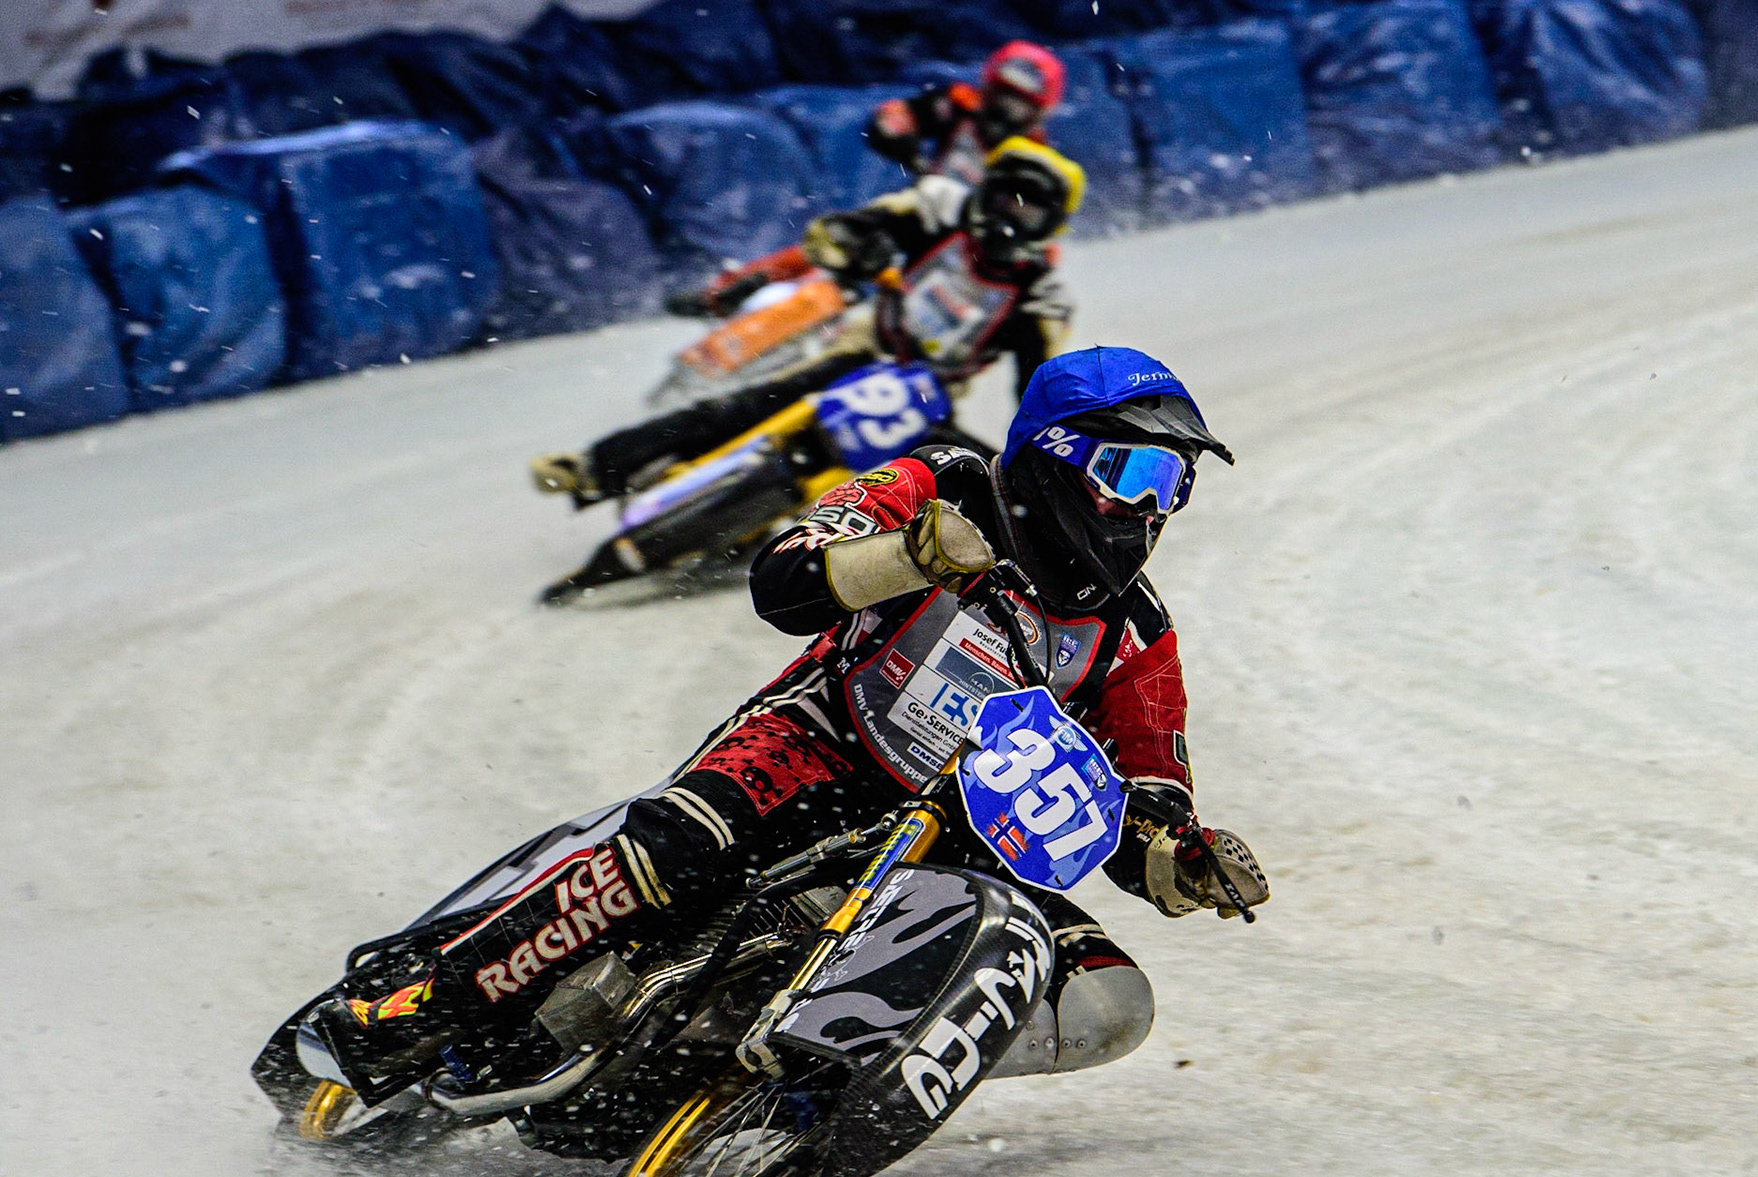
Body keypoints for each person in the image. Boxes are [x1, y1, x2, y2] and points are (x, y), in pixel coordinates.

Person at [337, 346, 1270, 1085]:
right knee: (670, 852)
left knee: (1111, 1001)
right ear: (1057, 453)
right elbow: (783, 579)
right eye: (1136, 472)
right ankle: (425, 1004)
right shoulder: (945, 481)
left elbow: (1143, 795)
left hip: (958, 839)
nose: (1151, 509)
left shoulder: (1137, 630)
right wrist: (909, 555)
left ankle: (831, 1076)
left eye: (1174, 485)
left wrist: (1185, 859)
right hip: (816, 745)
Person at [532, 138, 1083, 507]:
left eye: (1028, 210)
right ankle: (596, 465)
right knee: (754, 404)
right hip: (868, 338)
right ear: (984, 189)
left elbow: (1039, 395)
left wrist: (1039, 468)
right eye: (1005, 198)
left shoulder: (1041, 298)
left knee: (971, 479)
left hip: (932, 388)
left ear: (1049, 225)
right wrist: (853, 247)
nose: (1009, 217)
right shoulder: (940, 204)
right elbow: (842, 229)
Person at [867, 40, 1068, 185]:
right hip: (927, 205)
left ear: (1037, 113)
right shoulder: (958, 103)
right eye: (999, 96)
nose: (1003, 111)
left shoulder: (1035, 151)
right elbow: (898, 114)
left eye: (1017, 106)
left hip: (987, 232)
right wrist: (906, 148)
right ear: (987, 89)